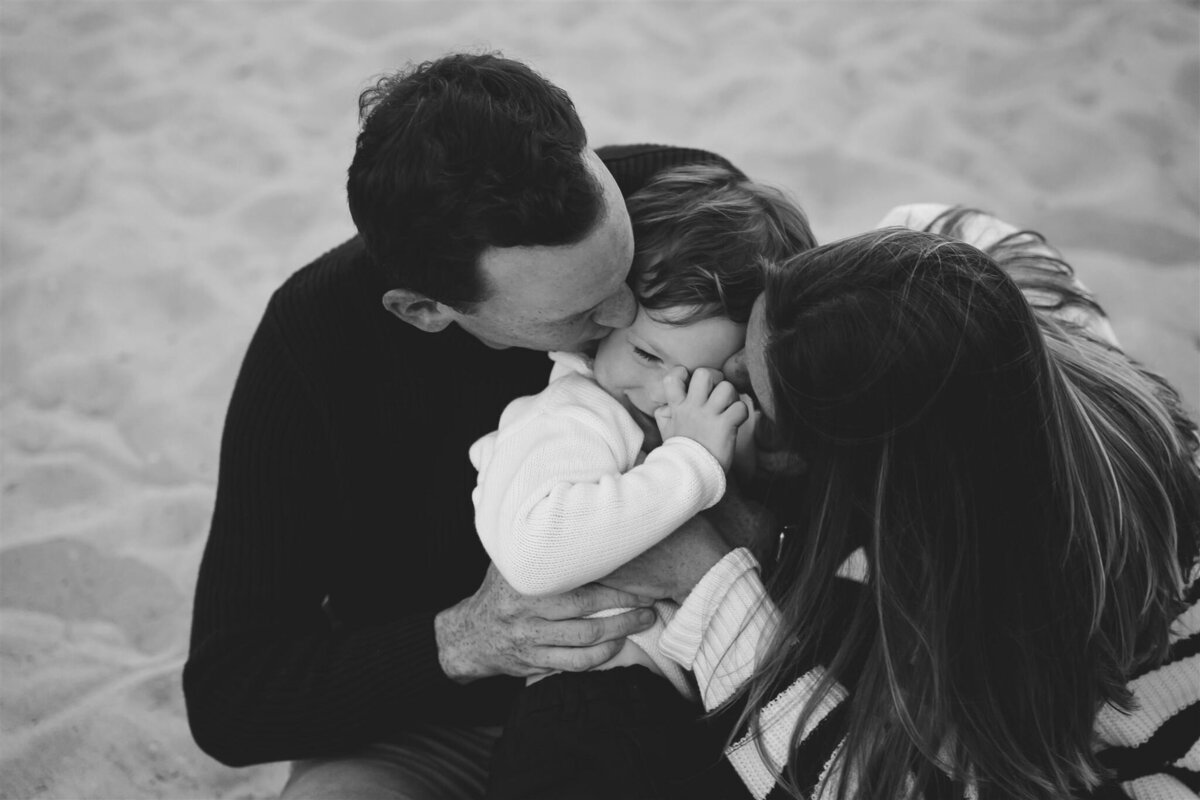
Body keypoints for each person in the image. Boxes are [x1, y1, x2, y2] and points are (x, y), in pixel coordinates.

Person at [182, 51, 750, 799]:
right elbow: (231, 696)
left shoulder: (685, 204)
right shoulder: (314, 340)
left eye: (624, 267)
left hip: (687, 690)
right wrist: (464, 641)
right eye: (578, 314)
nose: (619, 316)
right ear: (425, 311)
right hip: (434, 729)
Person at [618, 210, 1200, 799]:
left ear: (872, 490)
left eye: (755, 400)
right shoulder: (1001, 312)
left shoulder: (1114, 661)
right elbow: (947, 229)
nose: (720, 375)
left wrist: (710, 587)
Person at [470, 164, 815, 799]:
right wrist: (691, 462)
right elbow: (532, 556)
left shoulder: (673, 415)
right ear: (605, 319)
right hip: (590, 715)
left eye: (704, 378)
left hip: (694, 707)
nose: (662, 394)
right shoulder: (569, 418)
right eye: (648, 355)